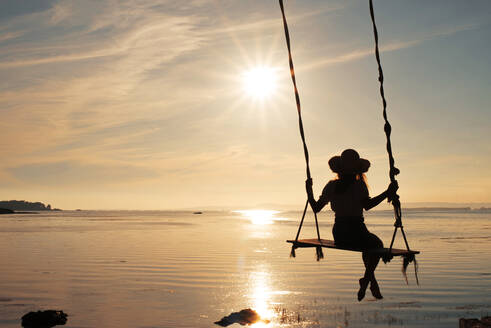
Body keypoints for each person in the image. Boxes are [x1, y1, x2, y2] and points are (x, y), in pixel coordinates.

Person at [305, 149, 398, 301]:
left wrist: (309, 191)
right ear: (357, 169)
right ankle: (368, 280)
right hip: (357, 230)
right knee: (376, 244)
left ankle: (369, 280)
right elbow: (368, 205)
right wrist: (387, 193)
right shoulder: (359, 185)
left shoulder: (331, 186)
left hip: (340, 233)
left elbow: (316, 208)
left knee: (368, 246)